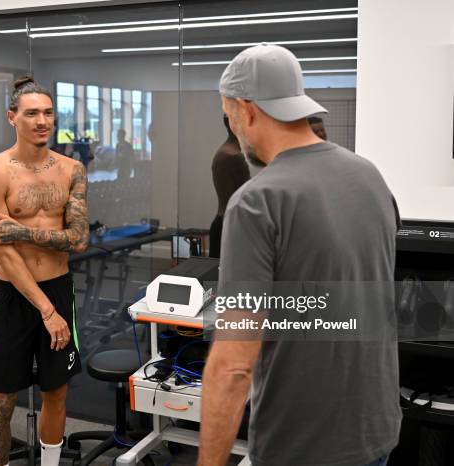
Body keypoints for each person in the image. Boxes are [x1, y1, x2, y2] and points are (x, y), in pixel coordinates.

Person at [198, 44, 401, 466]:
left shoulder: (256, 200)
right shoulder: (369, 175)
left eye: (230, 116)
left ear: (246, 110)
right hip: (374, 431)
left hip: (302, 445)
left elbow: (233, 366)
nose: (233, 129)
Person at [0, 76, 89, 466]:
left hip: (58, 286)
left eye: (48, 112)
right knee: (2, 398)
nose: (42, 121)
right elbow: (5, 254)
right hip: (14, 298)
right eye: (31, 113)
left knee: (56, 391)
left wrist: (22, 230)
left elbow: (78, 240)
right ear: (12, 117)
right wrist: (46, 311)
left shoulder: (72, 170)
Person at [209, 115, 250, 258]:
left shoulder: (228, 152)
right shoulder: (232, 156)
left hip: (227, 223)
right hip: (230, 225)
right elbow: (246, 196)